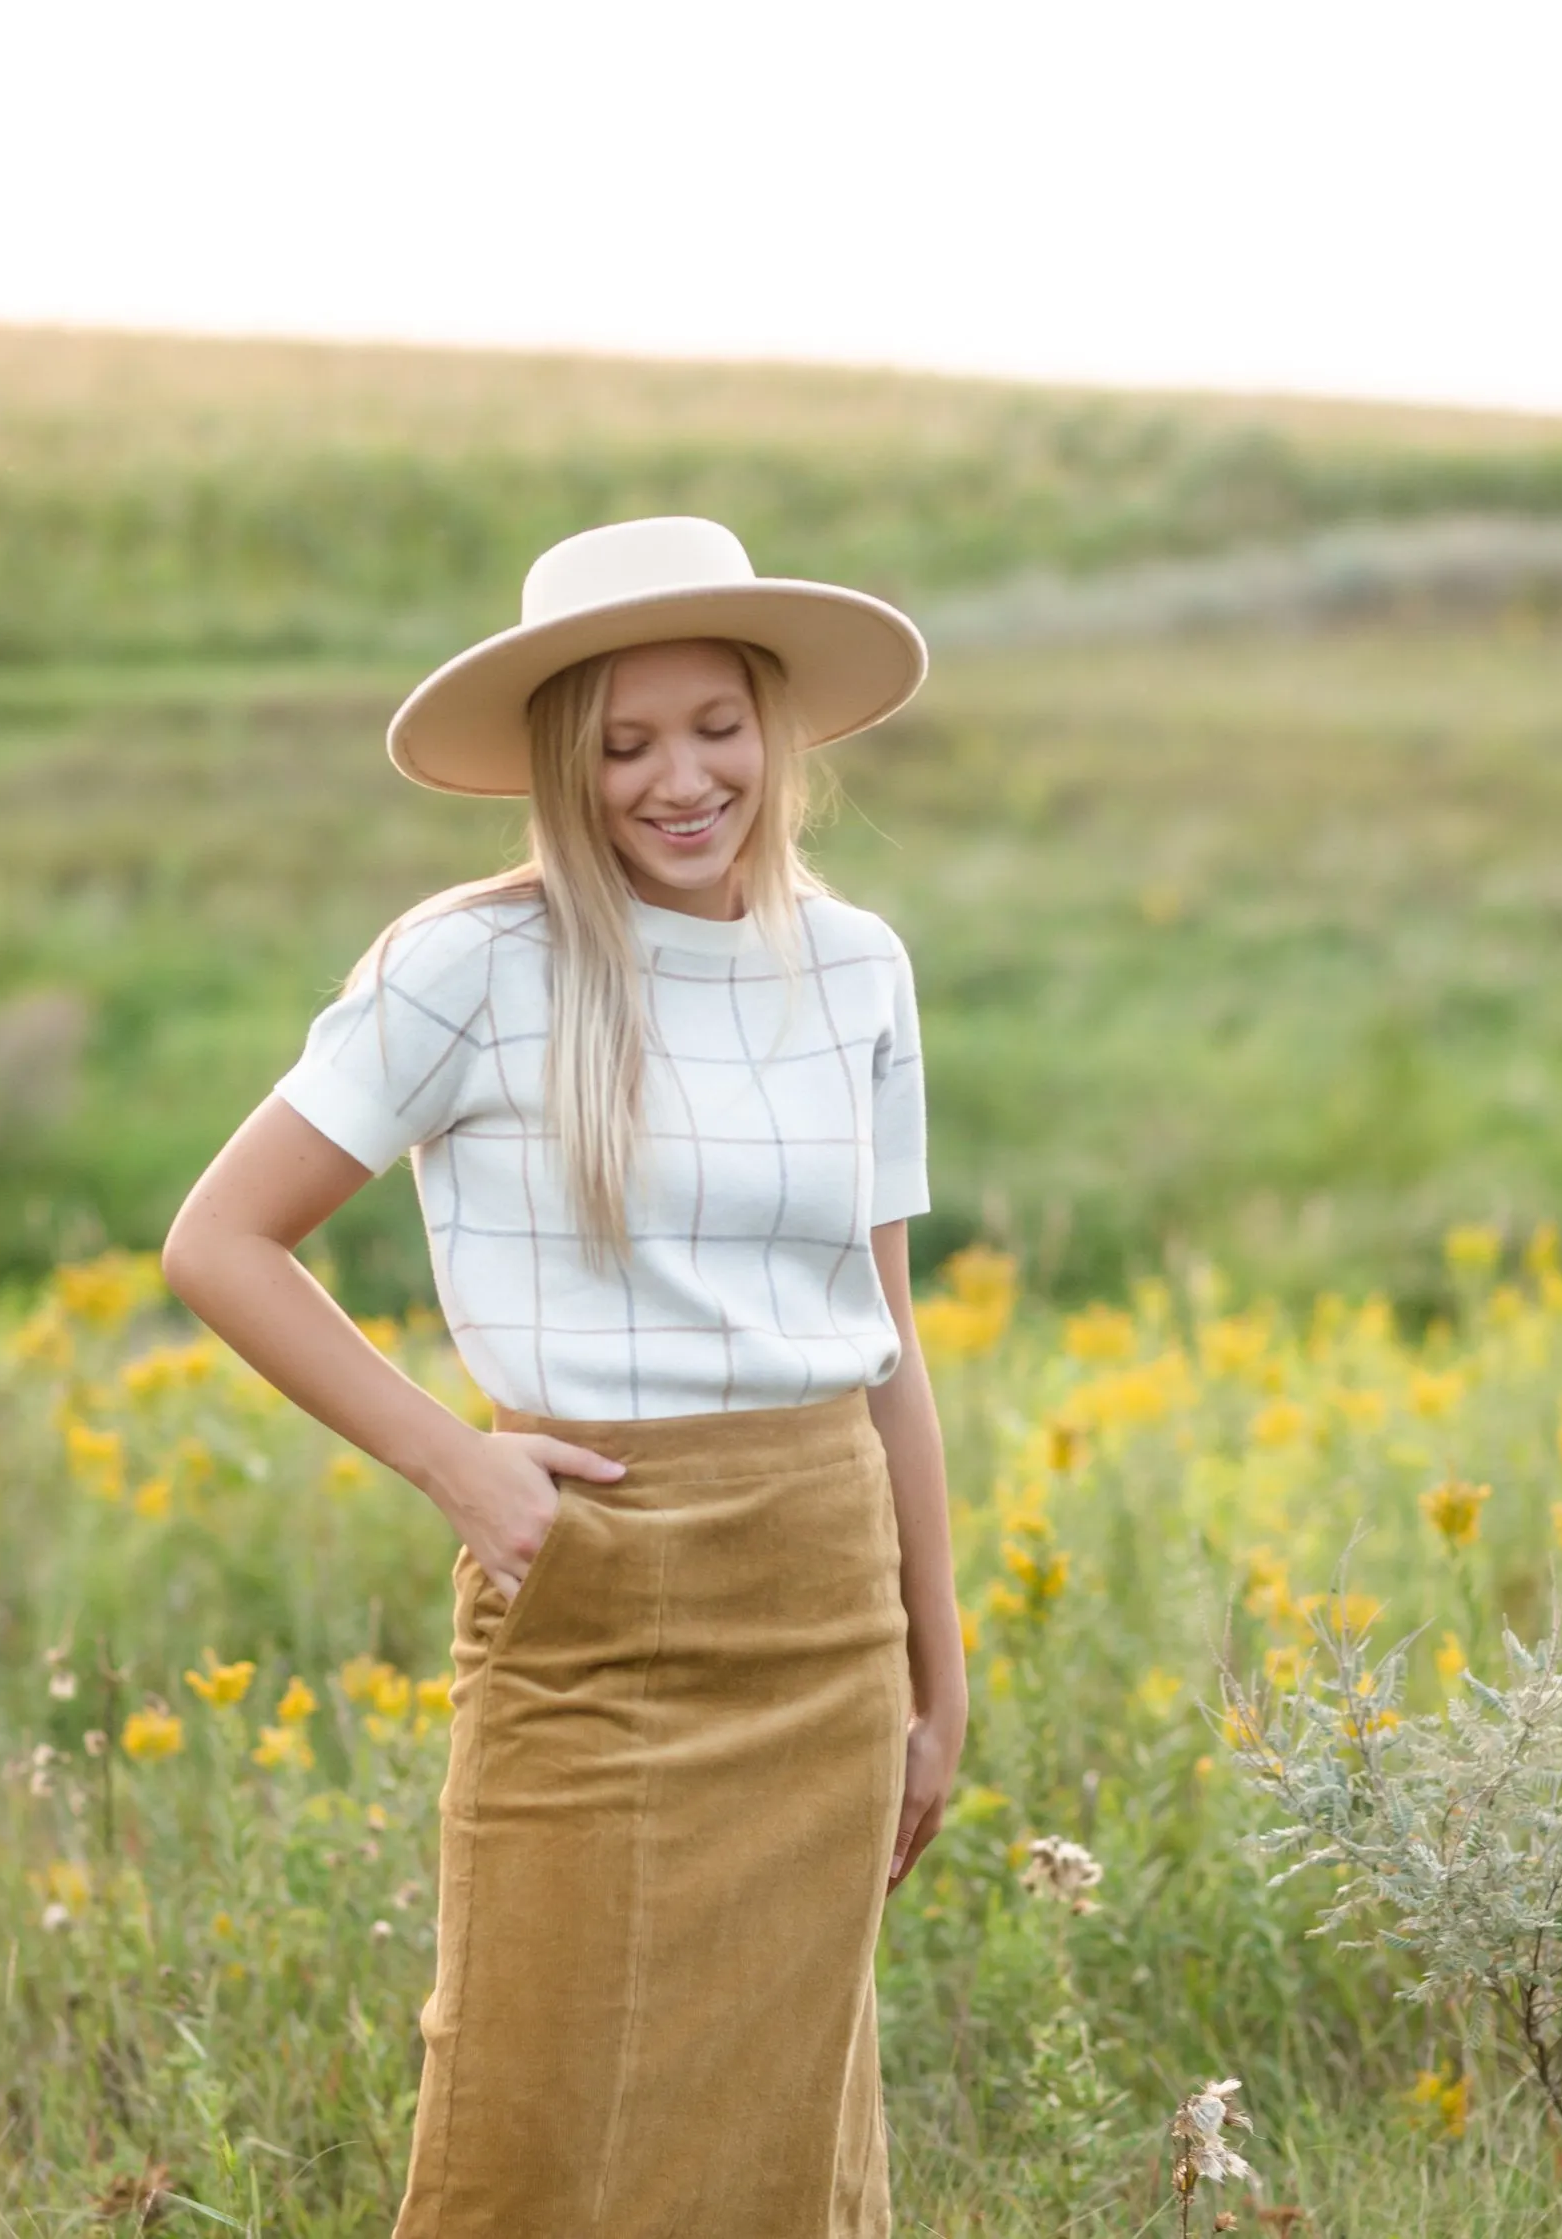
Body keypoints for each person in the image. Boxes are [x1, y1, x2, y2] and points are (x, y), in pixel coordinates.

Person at [161, 514, 969, 2239]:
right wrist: (460, 1463)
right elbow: (220, 1242)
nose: (680, 780)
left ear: (776, 725)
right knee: (529, 2115)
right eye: (622, 742)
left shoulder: (859, 967)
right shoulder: (468, 963)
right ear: (560, 761)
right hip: (593, 1600)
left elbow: (889, 1344)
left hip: (825, 1604)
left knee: (781, 2141)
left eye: (714, 726)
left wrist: (936, 1669)